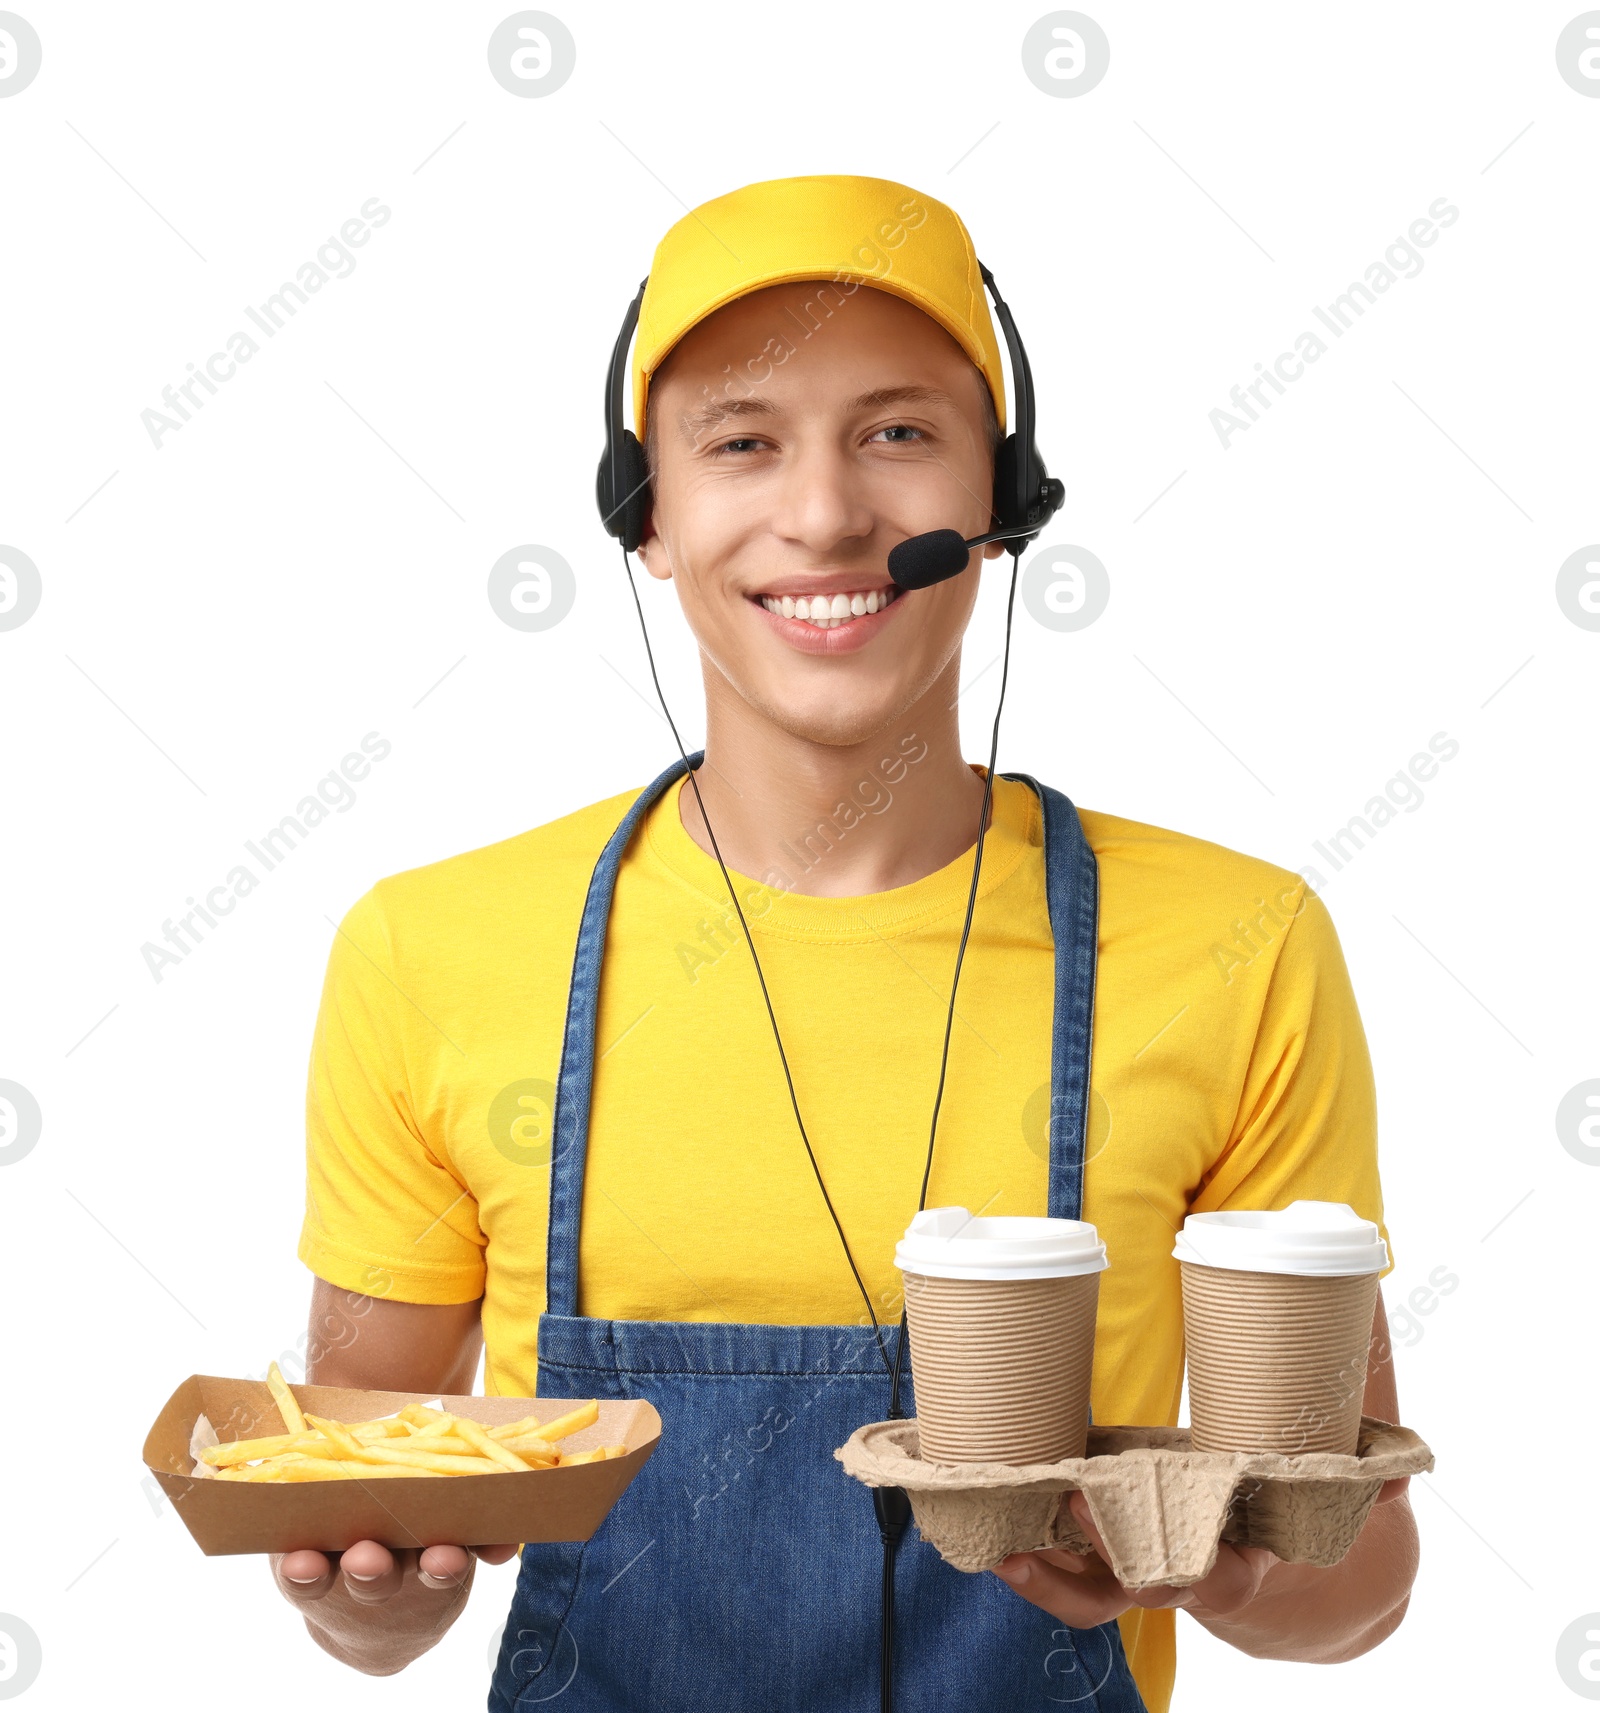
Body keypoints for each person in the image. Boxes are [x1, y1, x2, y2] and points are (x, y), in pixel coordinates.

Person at [270, 174, 1418, 1712]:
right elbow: (364, 1547)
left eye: (897, 432)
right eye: (740, 441)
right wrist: (362, 1605)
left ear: (997, 506)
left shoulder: (1238, 945)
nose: (822, 513)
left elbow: (1360, 1589)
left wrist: (1219, 1561)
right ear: (648, 519)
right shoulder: (430, 951)